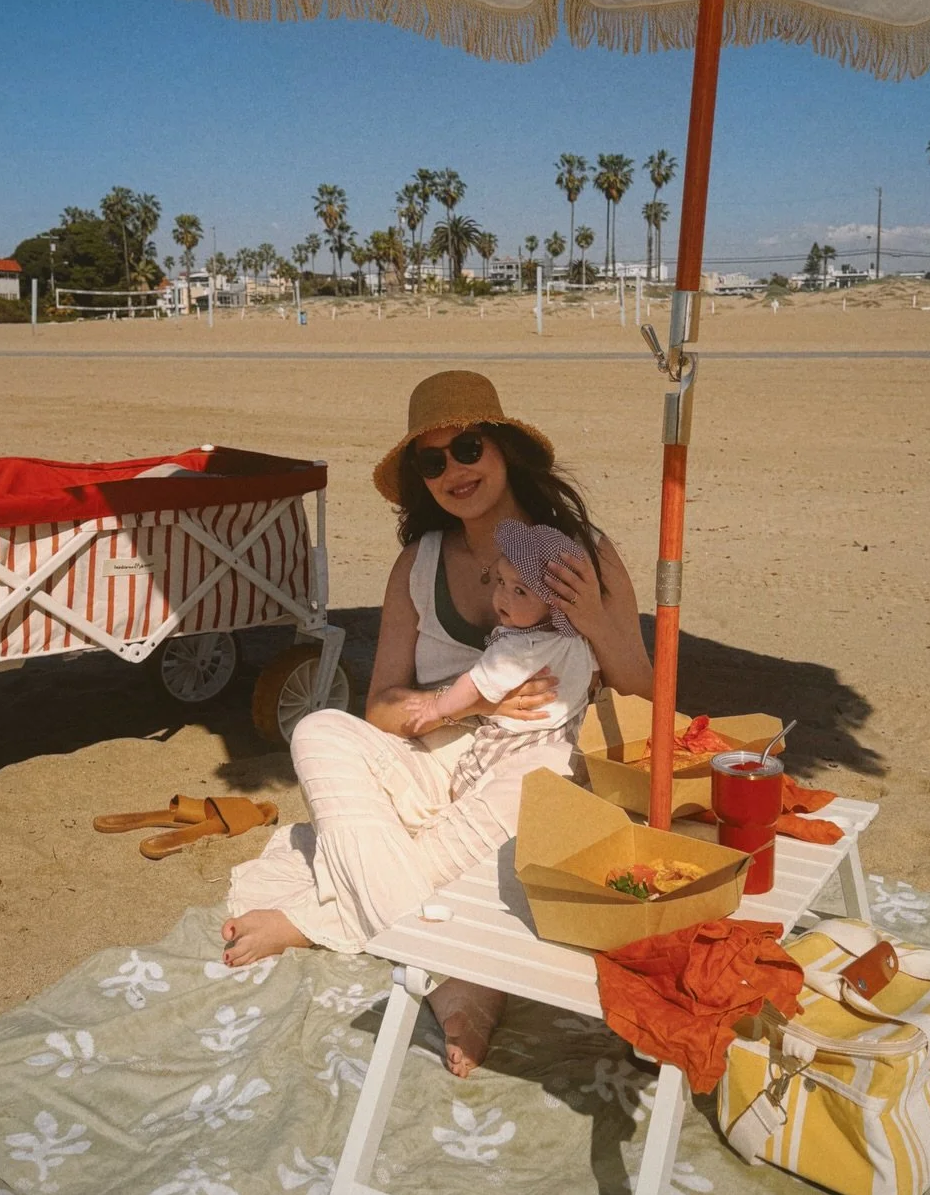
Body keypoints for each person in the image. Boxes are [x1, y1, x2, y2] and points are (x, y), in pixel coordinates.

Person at [221, 369, 653, 1075]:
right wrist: (471, 700)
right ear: (421, 480)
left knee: (536, 791)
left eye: (469, 447)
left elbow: (643, 689)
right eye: (433, 460)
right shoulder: (417, 566)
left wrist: (596, 620)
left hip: (535, 763)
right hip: (436, 754)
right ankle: (460, 974)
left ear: (504, 449)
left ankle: (325, 919)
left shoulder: (579, 550)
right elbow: (384, 709)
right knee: (317, 731)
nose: (454, 469)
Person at [398, 519, 596, 800]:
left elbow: (473, 684)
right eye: (501, 581)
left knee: (468, 783)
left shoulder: (516, 648)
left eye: (520, 591)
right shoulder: (576, 641)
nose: (502, 595)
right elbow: (592, 676)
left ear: (553, 606)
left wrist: (437, 710)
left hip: (515, 742)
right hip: (565, 737)